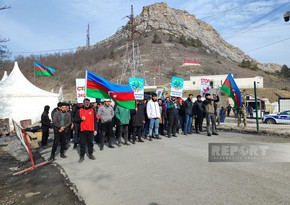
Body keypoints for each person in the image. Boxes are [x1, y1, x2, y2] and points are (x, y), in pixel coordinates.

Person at [74, 98, 98, 163]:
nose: (87, 103)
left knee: (90, 143)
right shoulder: (80, 110)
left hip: (91, 130)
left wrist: (95, 129)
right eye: (86, 102)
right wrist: (80, 119)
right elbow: (75, 120)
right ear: (83, 103)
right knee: (82, 144)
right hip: (83, 130)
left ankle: (90, 154)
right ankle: (82, 156)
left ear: (89, 103)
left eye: (88, 102)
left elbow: (95, 120)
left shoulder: (92, 110)